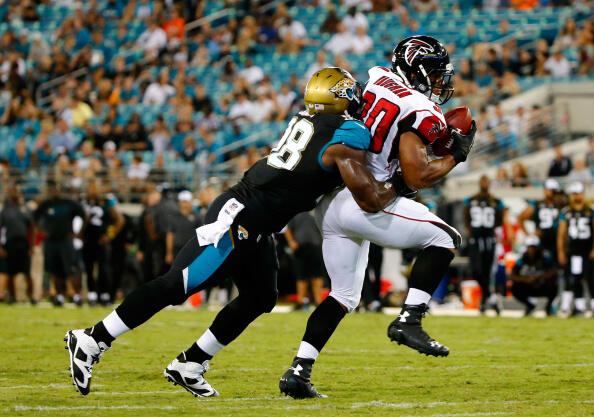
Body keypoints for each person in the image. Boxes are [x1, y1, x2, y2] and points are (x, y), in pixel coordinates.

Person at [65, 67, 399, 398]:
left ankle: (191, 363)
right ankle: (94, 338)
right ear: (340, 98)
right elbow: (365, 179)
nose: (357, 98)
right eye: (351, 93)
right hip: (241, 213)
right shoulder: (349, 132)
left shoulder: (309, 120)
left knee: (261, 296)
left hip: (258, 220)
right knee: (180, 283)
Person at [279, 36, 475, 399]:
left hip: (335, 203)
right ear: (415, 69)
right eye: (432, 72)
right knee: (447, 238)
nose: (437, 82)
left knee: (343, 296)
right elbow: (416, 177)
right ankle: (409, 320)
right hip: (368, 200)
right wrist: (453, 156)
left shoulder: (375, 78)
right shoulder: (421, 108)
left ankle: (298, 371)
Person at [34, 181, 86, 306]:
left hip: (66, 241)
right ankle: (59, 295)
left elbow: (84, 215)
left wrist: (78, 233)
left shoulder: (69, 203)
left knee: (71, 269)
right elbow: (35, 217)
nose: (55, 192)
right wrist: (41, 231)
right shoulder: (47, 204)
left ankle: (75, 294)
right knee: (55, 270)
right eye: (52, 190)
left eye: (56, 189)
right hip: (51, 242)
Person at [464, 175, 505, 314]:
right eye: (482, 181)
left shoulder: (495, 201)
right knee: (476, 270)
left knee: (487, 271)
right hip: (475, 239)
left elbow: (499, 220)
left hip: (489, 239)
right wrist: (470, 231)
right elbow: (466, 218)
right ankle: (491, 298)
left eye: (487, 181)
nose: (484, 183)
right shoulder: (471, 200)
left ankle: (484, 300)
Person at [82, 180, 124, 306]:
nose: (93, 190)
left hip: (101, 241)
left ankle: (104, 294)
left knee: (103, 268)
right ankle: (92, 294)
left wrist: (109, 236)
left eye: (96, 187)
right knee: (89, 268)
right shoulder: (85, 202)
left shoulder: (106, 202)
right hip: (88, 240)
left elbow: (119, 220)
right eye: (91, 187)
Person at [557, 182, 594, 317]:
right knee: (574, 278)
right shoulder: (566, 212)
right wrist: (561, 251)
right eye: (574, 193)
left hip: (587, 249)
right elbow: (561, 234)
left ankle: (591, 306)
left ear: (583, 194)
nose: (576, 196)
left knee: (590, 278)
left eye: (578, 193)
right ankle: (578, 306)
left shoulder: (590, 211)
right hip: (573, 250)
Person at [0, 185, 35, 304]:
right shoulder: (5, 210)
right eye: (12, 191)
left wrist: (32, 245)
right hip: (10, 244)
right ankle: (12, 297)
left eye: (17, 191)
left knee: (27, 273)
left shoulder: (25, 209)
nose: (15, 193)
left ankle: (31, 297)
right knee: (10, 273)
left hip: (24, 244)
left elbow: (32, 229)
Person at [284, 212, 325, 309]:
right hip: (299, 247)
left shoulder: (318, 210)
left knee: (317, 275)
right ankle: (301, 302)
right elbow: (287, 229)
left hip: (316, 246)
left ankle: (318, 303)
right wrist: (291, 242)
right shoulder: (296, 211)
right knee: (301, 276)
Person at [510, 236, 557, 316]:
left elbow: (554, 272)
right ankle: (529, 306)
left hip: (541, 284)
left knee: (553, 286)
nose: (532, 250)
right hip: (527, 285)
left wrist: (540, 278)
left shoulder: (545, 257)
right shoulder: (522, 259)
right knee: (514, 288)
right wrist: (526, 280)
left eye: (534, 247)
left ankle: (548, 307)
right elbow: (512, 275)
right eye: (530, 247)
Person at [517, 179, 561, 263]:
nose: (552, 192)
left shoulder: (560, 204)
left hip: (557, 240)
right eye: (550, 190)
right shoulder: (537, 204)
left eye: (554, 190)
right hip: (542, 240)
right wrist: (529, 235)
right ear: (545, 190)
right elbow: (520, 218)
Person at [165, 191, 203, 265]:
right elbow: (170, 235)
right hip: (177, 250)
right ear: (179, 202)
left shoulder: (197, 217)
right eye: (183, 201)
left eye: (187, 201)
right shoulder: (173, 217)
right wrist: (169, 253)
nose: (185, 204)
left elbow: (201, 236)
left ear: (191, 202)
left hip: (192, 249)